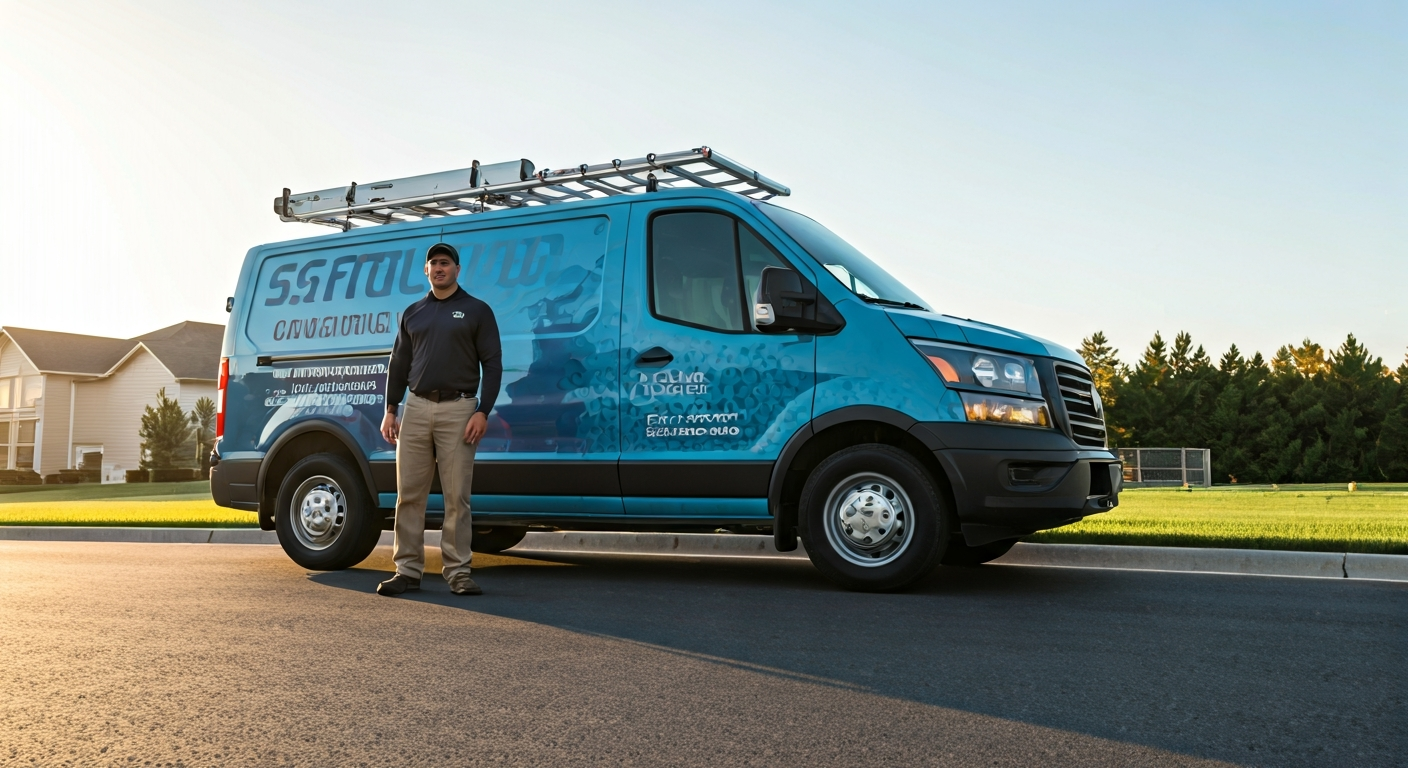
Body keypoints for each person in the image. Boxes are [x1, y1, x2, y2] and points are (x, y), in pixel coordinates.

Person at [377, 243, 502, 597]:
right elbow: (399, 363)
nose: (439, 268)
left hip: (460, 410)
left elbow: (493, 364)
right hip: (415, 409)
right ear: (426, 270)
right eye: (433, 263)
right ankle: (407, 570)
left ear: (457, 270)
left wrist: (482, 411)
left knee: (457, 497)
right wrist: (390, 409)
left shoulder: (477, 310)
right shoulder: (413, 313)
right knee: (408, 495)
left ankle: (458, 572)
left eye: (445, 263)